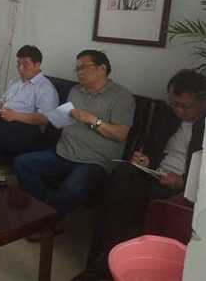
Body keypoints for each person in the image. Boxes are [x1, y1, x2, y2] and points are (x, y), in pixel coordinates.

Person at [73, 69, 205, 281]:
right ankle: (106, 258)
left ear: (202, 101)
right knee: (123, 176)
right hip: (155, 174)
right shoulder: (168, 117)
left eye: (184, 106)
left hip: (183, 187)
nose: (178, 110)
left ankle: (110, 262)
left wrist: (183, 181)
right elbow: (153, 148)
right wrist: (145, 160)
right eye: (173, 103)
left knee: (130, 200)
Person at [13, 50, 135, 221]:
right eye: (77, 69)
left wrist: (92, 119)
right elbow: (64, 119)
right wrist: (55, 117)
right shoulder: (76, 91)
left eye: (83, 68)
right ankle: (43, 212)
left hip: (94, 162)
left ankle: (44, 220)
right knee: (22, 163)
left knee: (71, 189)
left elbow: (120, 134)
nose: (79, 73)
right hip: (63, 152)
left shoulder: (121, 96)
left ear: (102, 68)